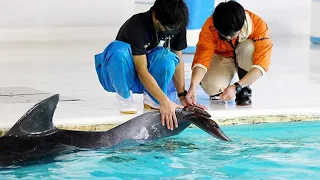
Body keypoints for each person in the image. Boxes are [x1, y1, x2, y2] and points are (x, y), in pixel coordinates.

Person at [94, 0, 191, 130]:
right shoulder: (136, 25)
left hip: (149, 79)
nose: (172, 32)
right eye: (169, 28)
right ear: (156, 17)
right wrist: (165, 100)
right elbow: (141, 70)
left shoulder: (177, 24)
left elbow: (178, 59)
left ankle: (152, 101)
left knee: (167, 57)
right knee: (118, 50)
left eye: (176, 29)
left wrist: (182, 95)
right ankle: (125, 99)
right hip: (121, 76)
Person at [186, 0, 273, 106]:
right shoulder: (209, 26)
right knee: (211, 85)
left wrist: (237, 86)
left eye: (231, 34)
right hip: (221, 56)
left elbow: (261, 65)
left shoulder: (258, 25)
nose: (227, 38)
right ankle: (221, 89)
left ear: (241, 28)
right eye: (223, 34)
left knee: (249, 47)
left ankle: (244, 87)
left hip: (243, 54)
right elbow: (201, 59)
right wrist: (193, 86)